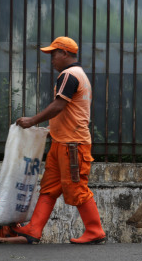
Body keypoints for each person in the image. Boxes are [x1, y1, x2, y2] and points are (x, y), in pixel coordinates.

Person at [13, 36, 106, 244]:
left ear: (65, 53)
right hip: (61, 143)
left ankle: (95, 230)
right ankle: (34, 229)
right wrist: (49, 129)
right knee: (49, 188)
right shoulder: (76, 74)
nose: (51, 59)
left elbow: (58, 106)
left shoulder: (69, 75)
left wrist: (32, 121)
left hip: (72, 145)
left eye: (53, 54)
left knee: (77, 187)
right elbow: (68, 111)